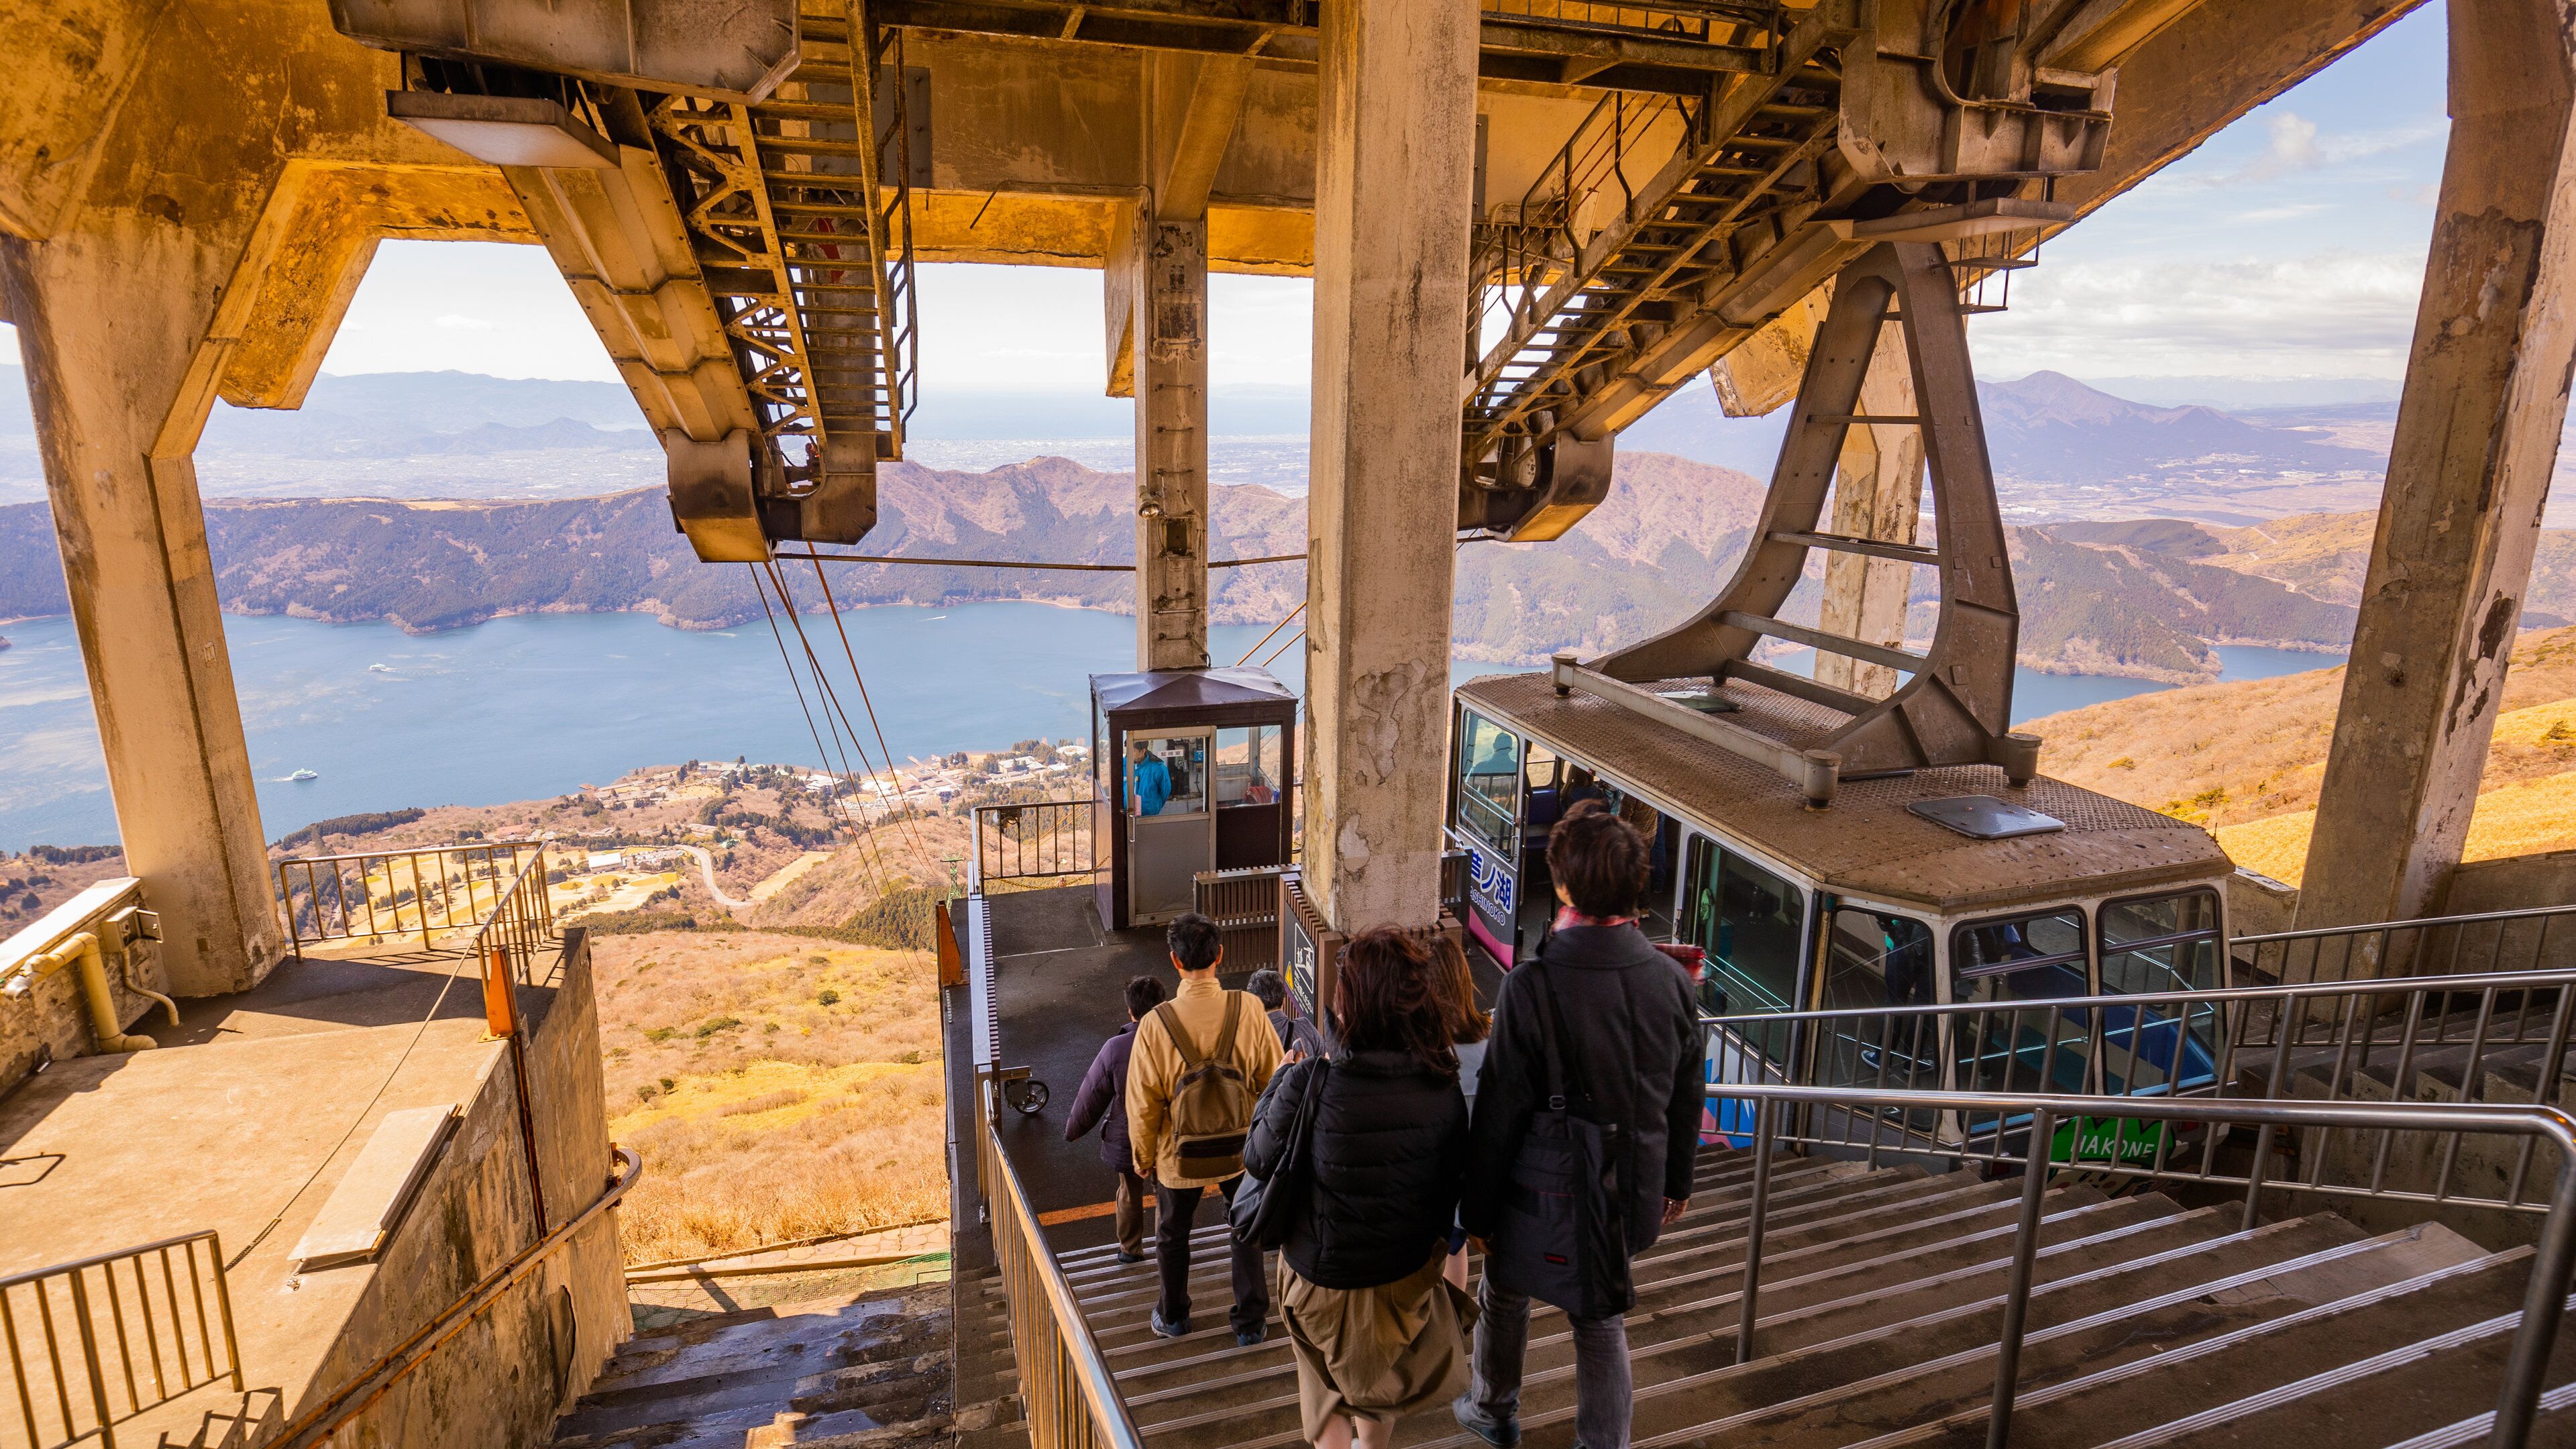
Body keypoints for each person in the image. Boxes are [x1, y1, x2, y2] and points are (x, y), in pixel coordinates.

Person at [1454, 802, 1705, 1449]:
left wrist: (1477, 1209)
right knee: (1599, 1315)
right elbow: (1686, 1095)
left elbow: (1501, 1109)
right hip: (1632, 1189)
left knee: (1505, 1289)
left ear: (1564, 886)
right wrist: (1677, 1182)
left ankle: (1493, 1407)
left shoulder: (1533, 984)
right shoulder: (1672, 980)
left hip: (1541, 1190)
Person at [1247, 930, 1476, 1449]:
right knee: (1378, 1379)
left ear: (1348, 1004)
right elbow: (1449, 1193)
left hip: (1319, 1277)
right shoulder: (1442, 1087)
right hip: (1403, 1277)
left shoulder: (1312, 1081)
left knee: (1323, 1383)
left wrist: (1277, 1082)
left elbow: (1258, 1157)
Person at [1128, 912, 1283, 1343]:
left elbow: (1143, 1102)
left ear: (1175, 961)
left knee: (1172, 1233)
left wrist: (1143, 1158)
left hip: (1179, 1156)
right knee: (1245, 1227)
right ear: (1220, 955)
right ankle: (1250, 1323)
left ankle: (1174, 1316)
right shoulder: (1249, 1008)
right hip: (1241, 1150)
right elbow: (1275, 1083)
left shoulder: (1155, 1023)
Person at [1065, 974, 1168, 1265]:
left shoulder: (1116, 1047)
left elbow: (1092, 1093)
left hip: (1128, 1137)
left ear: (1130, 1010)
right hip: (1168, 1134)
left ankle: (1130, 1249)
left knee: (1129, 1192)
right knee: (1166, 1194)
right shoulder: (1176, 1040)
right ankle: (1167, 1250)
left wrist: (1074, 1130)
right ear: (1163, 1004)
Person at [1247, 967, 1328, 1060]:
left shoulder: (1248, 1040)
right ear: (1284, 1001)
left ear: (1253, 1005)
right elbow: (1327, 1061)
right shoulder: (1305, 1028)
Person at [1130, 739, 1172, 816]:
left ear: (1143, 751)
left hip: (1149, 815)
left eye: (1133, 751)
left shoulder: (1158, 769)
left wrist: (1154, 806)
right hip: (1129, 813)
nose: (1129, 754)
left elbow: (1165, 791)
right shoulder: (1126, 766)